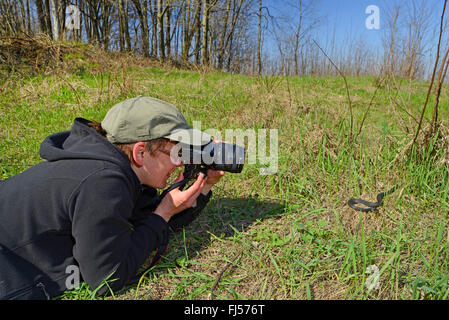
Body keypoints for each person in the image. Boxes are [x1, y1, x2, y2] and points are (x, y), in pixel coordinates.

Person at [0, 96, 224, 300]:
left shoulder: (114, 167)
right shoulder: (103, 183)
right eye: (177, 153)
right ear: (140, 153)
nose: (181, 163)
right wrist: (162, 214)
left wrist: (203, 188)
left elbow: (146, 223)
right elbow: (107, 278)